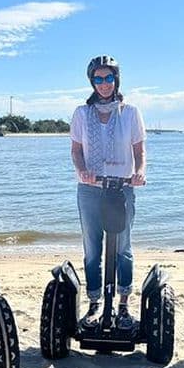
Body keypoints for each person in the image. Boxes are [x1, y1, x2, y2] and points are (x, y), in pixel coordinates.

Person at [70, 55, 147, 330]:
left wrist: (139, 172)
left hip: (122, 189)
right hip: (90, 189)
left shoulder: (130, 112)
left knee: (123, 247)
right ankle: (94, 304)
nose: (104, 84)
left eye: (109, 78)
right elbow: (76, 151)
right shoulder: (81, 113)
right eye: (98, 79)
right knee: (93, 248)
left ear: (116, 80)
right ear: (92, 82)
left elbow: (139, 151)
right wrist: (82, 171)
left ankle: (123, 306)